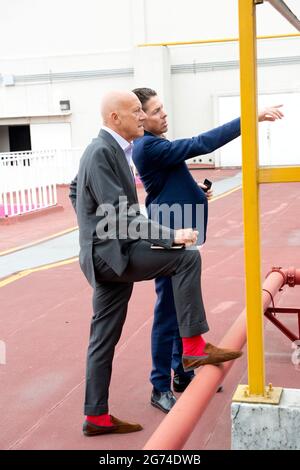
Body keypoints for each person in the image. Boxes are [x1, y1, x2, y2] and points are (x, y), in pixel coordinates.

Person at [69, 90, 243, 437]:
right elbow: (122, 216)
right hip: (112, 256)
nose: (143, 119)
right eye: (136, 112)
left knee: (102, 339)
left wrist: (90, 228)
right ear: (115, 118)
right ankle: (192, 349)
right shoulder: (103, 151)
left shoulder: (114, 150)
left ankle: (96, 417)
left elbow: (76, 190)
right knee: (186, 259)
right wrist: (170, 235)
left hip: (107, 253)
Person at [132, 87, 283, 413]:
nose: (164, 114)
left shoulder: (154, 146)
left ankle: (182, 373)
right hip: (166, 234)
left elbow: (168, 178)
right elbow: (200, 143)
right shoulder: (150, 145)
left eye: (163, 107)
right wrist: (250, 118)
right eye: (156, 111)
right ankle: (159, 386)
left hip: (174, 229)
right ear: (140, 117)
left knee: (177, 307)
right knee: (168, 311)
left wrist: (195, 191)